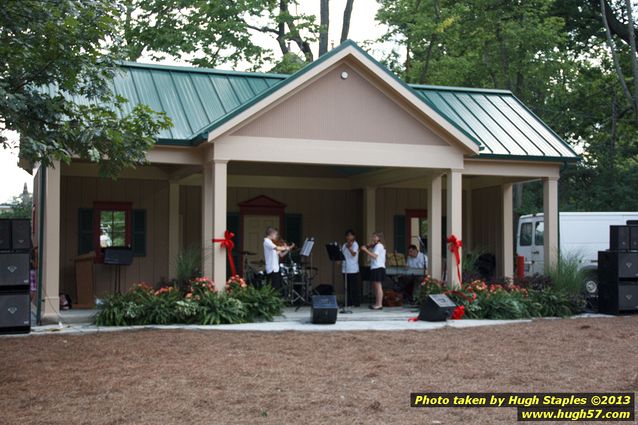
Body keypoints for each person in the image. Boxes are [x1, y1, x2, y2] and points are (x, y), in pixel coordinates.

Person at [360, 232, 386, 310]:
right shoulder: (376, 246)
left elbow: (374, 256)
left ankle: (379, 304)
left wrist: (365, 250)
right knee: (376, 286)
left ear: (379, 238)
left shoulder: (379, 246)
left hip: (378, 267)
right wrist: (368, 246)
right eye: (373, 236)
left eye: (375, 237)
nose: (373, 238)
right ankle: (377, 303)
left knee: (378, 286)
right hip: (375, 267)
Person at [341, 229, 361, 307]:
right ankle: (348, 302)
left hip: (353, 269)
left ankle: (356, 303)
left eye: (351, 235)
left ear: (354, 236)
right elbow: (342, 254)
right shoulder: (344, 245)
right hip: (345, 268)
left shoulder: (355, 244)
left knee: (354, 287)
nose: (349, 237)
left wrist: (349, 247)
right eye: (347, 235)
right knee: (347, 287)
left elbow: (354, 254)